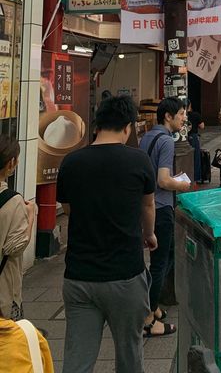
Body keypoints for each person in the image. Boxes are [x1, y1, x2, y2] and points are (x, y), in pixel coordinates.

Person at [57, 95, 156, 373]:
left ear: (98, 124)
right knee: (129, 354)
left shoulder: (71, 162)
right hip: (125, 274)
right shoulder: (138, 160)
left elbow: (68, 210)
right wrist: (149, 235)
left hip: (79, 276)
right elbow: (147, 206)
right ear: (127, 127)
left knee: (77, 357)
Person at [139, 98, 191, 337]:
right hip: (160, 207)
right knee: (161, 262)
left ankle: (153, 306)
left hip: (145, 206)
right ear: (168, 117)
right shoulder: (167, 141)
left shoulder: (147, 136)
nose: (184, 118)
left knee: (162, 257)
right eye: (181, 114)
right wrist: (181, 184)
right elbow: (163, 180)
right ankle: (147, 317)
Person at [0, 137, 36, 321]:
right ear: (11, 163)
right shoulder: (12, 201)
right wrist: (31, 215)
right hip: (4, 291)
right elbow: (15, 247)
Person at [186, 99, 205, 186]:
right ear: (190, 105)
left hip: (183, 137)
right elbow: (202, 126)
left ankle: (186, 177)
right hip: (193, 137)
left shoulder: (181, 115)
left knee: (185, 158)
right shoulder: (196, 115)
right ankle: (195, 179)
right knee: (196, 157)